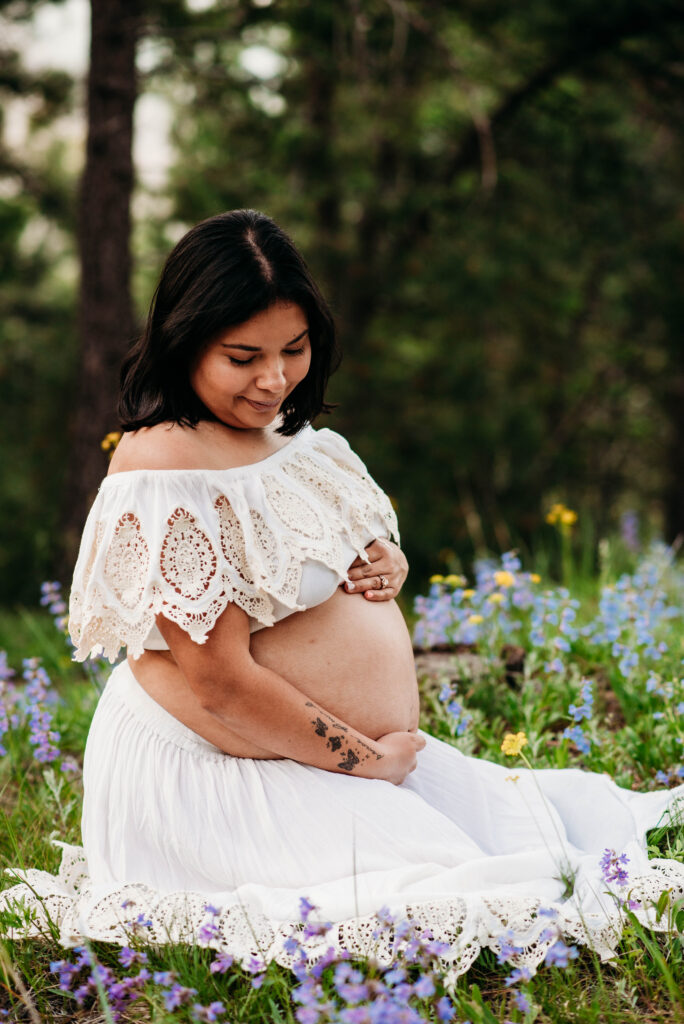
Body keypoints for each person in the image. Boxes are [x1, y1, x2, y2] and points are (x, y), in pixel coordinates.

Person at [5, 210, 683, 973]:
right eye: (242, 356)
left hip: (311, 751)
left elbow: (321, 548)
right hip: (217, 769)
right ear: (184, 341)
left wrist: (384, 561)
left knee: (535, 845)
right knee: (448, 895)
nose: (274, 378)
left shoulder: (282, 434)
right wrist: (366, 762)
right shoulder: (167, 466)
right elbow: (219, 680)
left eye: (294, 350)